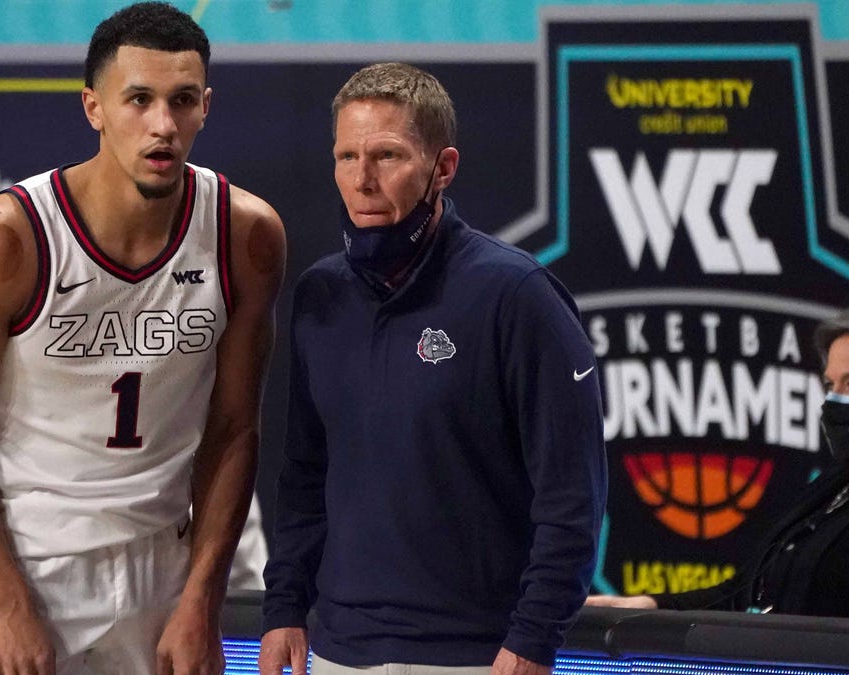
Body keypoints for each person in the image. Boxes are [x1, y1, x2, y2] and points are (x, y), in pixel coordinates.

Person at [0, 3, 286, 674]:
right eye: (138, 100)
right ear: (94, 107)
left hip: (165, 569)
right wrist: (10, 604)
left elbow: (235, 427)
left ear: (206, 107)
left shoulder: (246, 235)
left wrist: (204, 597)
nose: (162, 126)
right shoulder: (8, 239)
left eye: (181, 102)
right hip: (30, 563)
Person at [258, 63, 607, 675]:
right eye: (346, 157)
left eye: (387, 156)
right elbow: (304, 474)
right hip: (339, 650)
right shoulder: (319, 295)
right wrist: (285, 604)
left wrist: (533, 639)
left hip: (478, 655)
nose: (362, 180)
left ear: (442, 167)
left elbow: (572, 494)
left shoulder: (516, 292)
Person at [587, 309, 849, 616]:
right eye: (831, 386)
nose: (835, 401)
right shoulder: (830, 489)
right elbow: (742, 594)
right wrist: (650, 605)